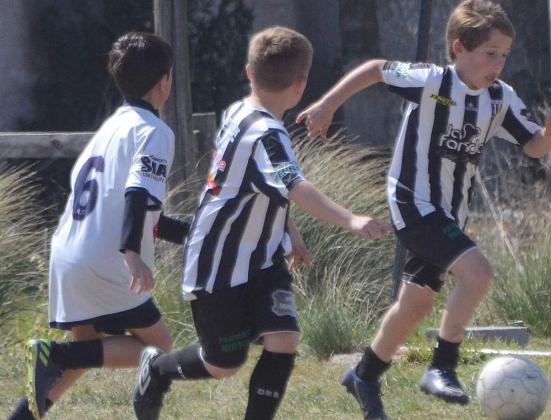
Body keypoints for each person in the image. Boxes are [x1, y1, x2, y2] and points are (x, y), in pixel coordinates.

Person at [297, 1, 551, 418]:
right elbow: (374, 69)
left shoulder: (500, 98)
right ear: (459, 48)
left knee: (416, 304)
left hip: (448, 214)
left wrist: (550, 134)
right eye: (490, 53)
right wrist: (328, 105)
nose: (498, 64)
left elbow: (532, 146)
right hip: (413, 201)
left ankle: (364, 375)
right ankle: (442, 365)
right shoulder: (431, 82)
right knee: (478, 273)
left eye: (504, 55)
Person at [131, 26, 391, 420]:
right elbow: (294, 187)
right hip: (218, 265)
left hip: (264, 259)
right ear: (301, 84)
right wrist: (352, 219)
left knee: (284, 340)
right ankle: (157, 369)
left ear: (249, 73)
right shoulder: (267, 136)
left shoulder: (239, 109)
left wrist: (291, 233)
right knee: (223, 363)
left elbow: (263, 188)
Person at [7, 32, 188, 420]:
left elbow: (139, 214)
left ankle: (21, 416)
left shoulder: (110, 128)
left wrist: (195, 235)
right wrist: (132, 252)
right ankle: (52, 352)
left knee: (81, 357)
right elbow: (137, 196)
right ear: (165, 81)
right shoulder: (154, 132)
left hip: (68, 252)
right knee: (158, 350)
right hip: (107, 259)